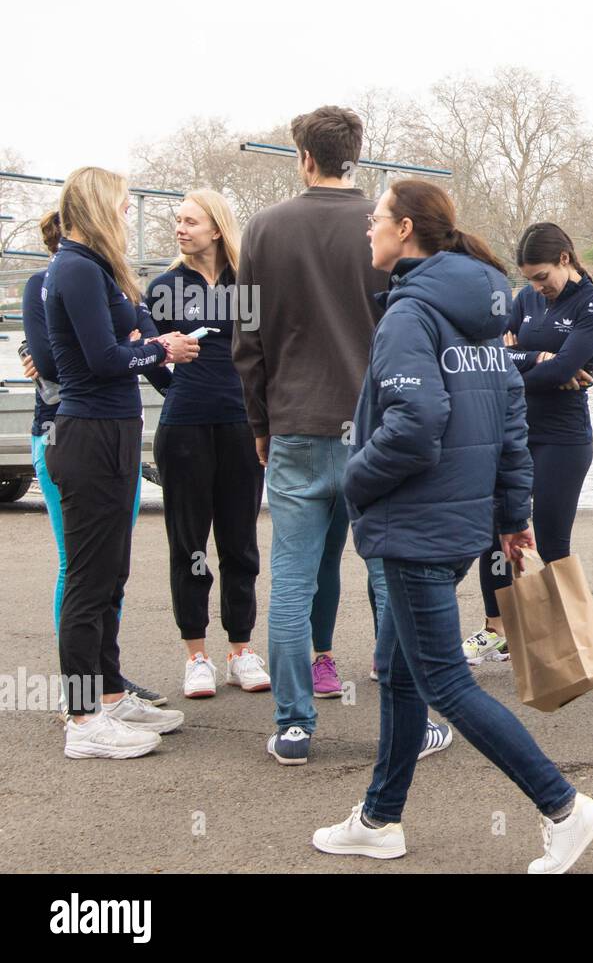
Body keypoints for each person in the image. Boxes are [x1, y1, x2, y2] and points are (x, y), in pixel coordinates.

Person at [313, 179, 593, 873]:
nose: (368, 231)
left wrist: (351, 480)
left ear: (407, 228)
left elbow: (415, 426)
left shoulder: (411, 316)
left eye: (376, 220)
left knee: (445, 680)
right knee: (397, 668)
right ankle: (381, 818)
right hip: (463, 520)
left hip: (415, 522)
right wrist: (510, 515)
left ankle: (564, 806)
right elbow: (511, 413)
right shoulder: (482, 305)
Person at [234, 106, 389, 764]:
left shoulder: (262, 230)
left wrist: (260, 425)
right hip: (375, 427)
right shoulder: (384, 228)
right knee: (389, 576)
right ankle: (405, 718)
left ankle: (295, 724)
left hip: (296, 422)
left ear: (304, 158)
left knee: (292, 582)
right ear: (355, 153)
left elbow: (247, 342)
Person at [43, 167, 198, 758]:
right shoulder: (77, 267)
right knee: (88, 581)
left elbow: (124, 349)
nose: (129, 214)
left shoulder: (98, 269)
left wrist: (152, 344)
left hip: (111, 431)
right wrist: (161, 346)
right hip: (88, 433)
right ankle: (83, 720)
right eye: (124, 204)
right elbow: (104, 359)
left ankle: (108, 693)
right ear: (98, 205)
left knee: (111, 575)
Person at [21, 211, 174, 709]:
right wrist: (134, 348)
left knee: (110, 568)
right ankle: (82, 697)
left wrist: (140, 348)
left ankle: (107, 682)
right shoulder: (52, 281)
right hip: (64, 430)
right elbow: (56, 361)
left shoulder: (108, 279)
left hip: (108, 426)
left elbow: (137, 342)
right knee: (80, 568)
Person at [467, 222, 593, 665]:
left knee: (552, 543)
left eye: (541, 276)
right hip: (515, 432)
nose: (536, 287)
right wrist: (535, 359)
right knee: (497, 534)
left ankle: (572, 640)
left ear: (565, 261)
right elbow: (493, 356)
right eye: (529, 278)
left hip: (564, 439)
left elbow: (567, 366)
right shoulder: (526, 300)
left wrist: (527, 368)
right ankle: (498, 629)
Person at [147, 190, 269, 698]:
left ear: (216, 228)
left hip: (242, 427)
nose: (180, 228)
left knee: (239, 543)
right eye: (177, 220)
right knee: (189, 544)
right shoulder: (164, 287)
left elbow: (269, 352)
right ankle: (195, 656)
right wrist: (178, 390)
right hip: (185, 430)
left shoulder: (250, 286)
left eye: (190, 221)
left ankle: (240, 649)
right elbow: (144, 353)